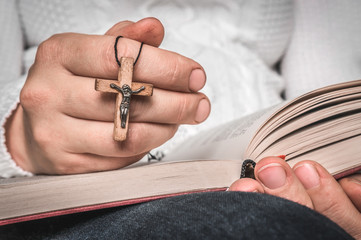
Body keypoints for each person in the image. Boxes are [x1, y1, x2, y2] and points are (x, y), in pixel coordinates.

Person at [0, 0, 360, 239]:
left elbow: (331, 96)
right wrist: (19, 139)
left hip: (269, 177)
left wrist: (341, 166)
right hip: (83, 195)